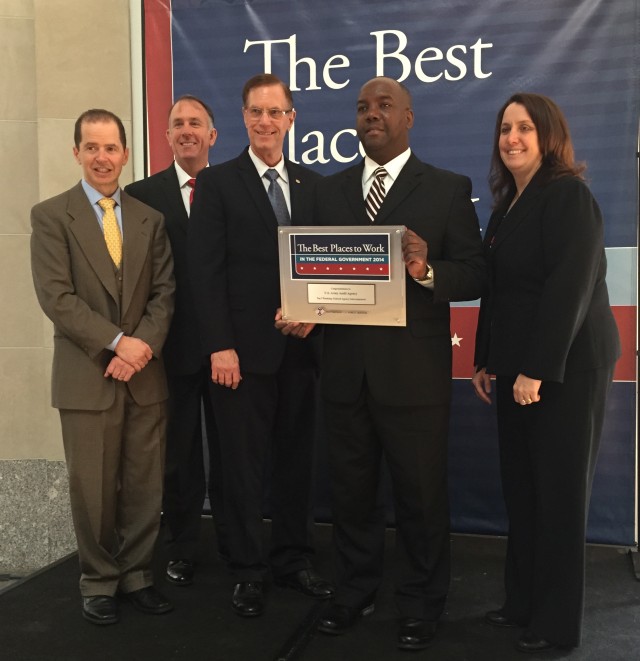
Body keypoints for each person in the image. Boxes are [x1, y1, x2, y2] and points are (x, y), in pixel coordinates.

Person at [279, 76, 486, 651]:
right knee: (351, 494)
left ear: (410, 117)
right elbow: (314, 277)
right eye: (363, 107)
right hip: (344, 374)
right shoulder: (327, 191)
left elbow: (473, 274)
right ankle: (355, 590)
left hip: (414, 379)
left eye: (385, 105)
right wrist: (302, 312)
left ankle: (421, 601)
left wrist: (425, 270)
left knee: (421, 498)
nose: (373, 114)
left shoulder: (446, 189)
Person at [471, 92, 620, 653]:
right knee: (524, 492)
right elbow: (498, 290)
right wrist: (487, 358)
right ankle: (522, 603)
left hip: (564, 371)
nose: (512, 138)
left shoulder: (568, 197)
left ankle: (557, 625)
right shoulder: (508, 203)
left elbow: (569, 289)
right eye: (505, 128)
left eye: (525, 128)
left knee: (557, 497)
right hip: (514, 371)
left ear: (549, 136)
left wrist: (534, 369)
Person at [188, 73, 333, 617]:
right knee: (242, 468)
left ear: (291, 119)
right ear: (244, 119)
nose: (266, 121)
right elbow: (205, 274)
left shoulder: (314, 186)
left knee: (298, 463)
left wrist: (315, 318)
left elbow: (326, 268)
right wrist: (219, 347)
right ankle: (248, 569)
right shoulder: (218, 183)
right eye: (256, 112)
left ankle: (293, 560)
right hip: (239, 360)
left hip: (302, 354)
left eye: (276, 112)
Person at [30, 109, 175, 625]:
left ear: (126, 153)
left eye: (111, 148)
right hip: (87, 377)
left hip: (144, 378)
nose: (102, 157)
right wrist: (117, 344)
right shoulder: (51, 217)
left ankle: (138, 575)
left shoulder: (148, 219)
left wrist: (142, 348)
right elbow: (57, 298)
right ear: (76, 153)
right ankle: (98, 580)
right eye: (91, 147)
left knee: (143, 485)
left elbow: (164, 294)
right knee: (91, 489)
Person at [125, 95, 227, 586]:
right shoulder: (139, 196)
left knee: (232, 454)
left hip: (229, 347)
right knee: (179, 457)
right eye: (178, 123)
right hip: (171, 349)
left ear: (213, 135)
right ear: (165, 136)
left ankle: (236, 543)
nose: (187, 130)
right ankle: (183, 546)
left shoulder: (232, 187)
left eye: (196, 123)